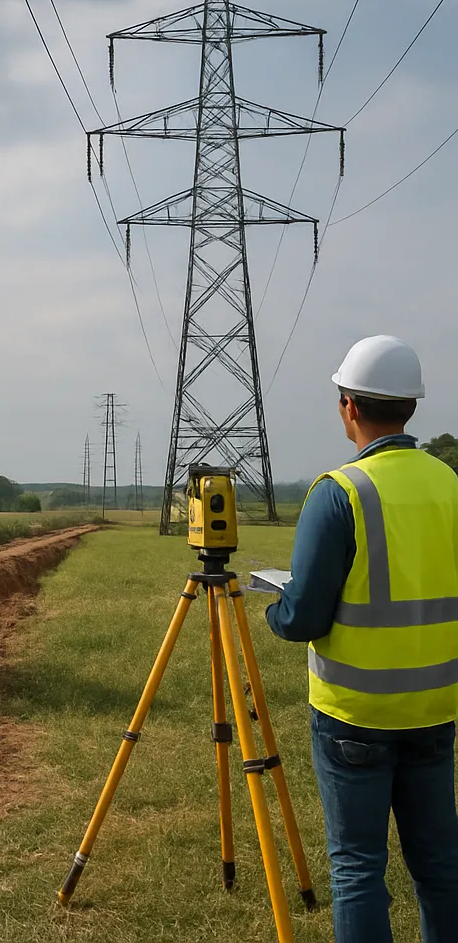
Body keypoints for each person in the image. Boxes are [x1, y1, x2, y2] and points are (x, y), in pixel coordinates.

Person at [265, 335, 458, 943]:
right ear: (412, 407)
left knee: (356, 870)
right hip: (434, 711)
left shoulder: (340, 492)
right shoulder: (450, 485)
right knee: (440, 868)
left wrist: (276, 608)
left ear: (348, 405)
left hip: (354, 718)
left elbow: (302, 619)